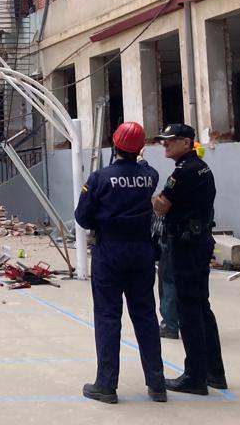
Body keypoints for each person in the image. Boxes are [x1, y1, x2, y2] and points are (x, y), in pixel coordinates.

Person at [75, 122, 166, 404]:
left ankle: (106, 384)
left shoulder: (100, 178)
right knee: (146, 316)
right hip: (141, 251)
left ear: (114, 146)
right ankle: (157, 383)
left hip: (110, 252)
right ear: (139, 148)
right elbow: (146, 170)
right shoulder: (150, 175)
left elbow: (82, 217)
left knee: (108, 317)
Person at [152, 124, 227, 395]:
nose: (165, 145)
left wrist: (151, 199)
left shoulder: (184, 171)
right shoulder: (200, 167)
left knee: (189, 311)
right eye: (163, 141)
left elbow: (162, 205)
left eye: (170, 141)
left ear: (186, 142)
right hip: (198, 240)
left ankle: (195, 376)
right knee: (201, 308)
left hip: (186, 244)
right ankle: (214, 373)